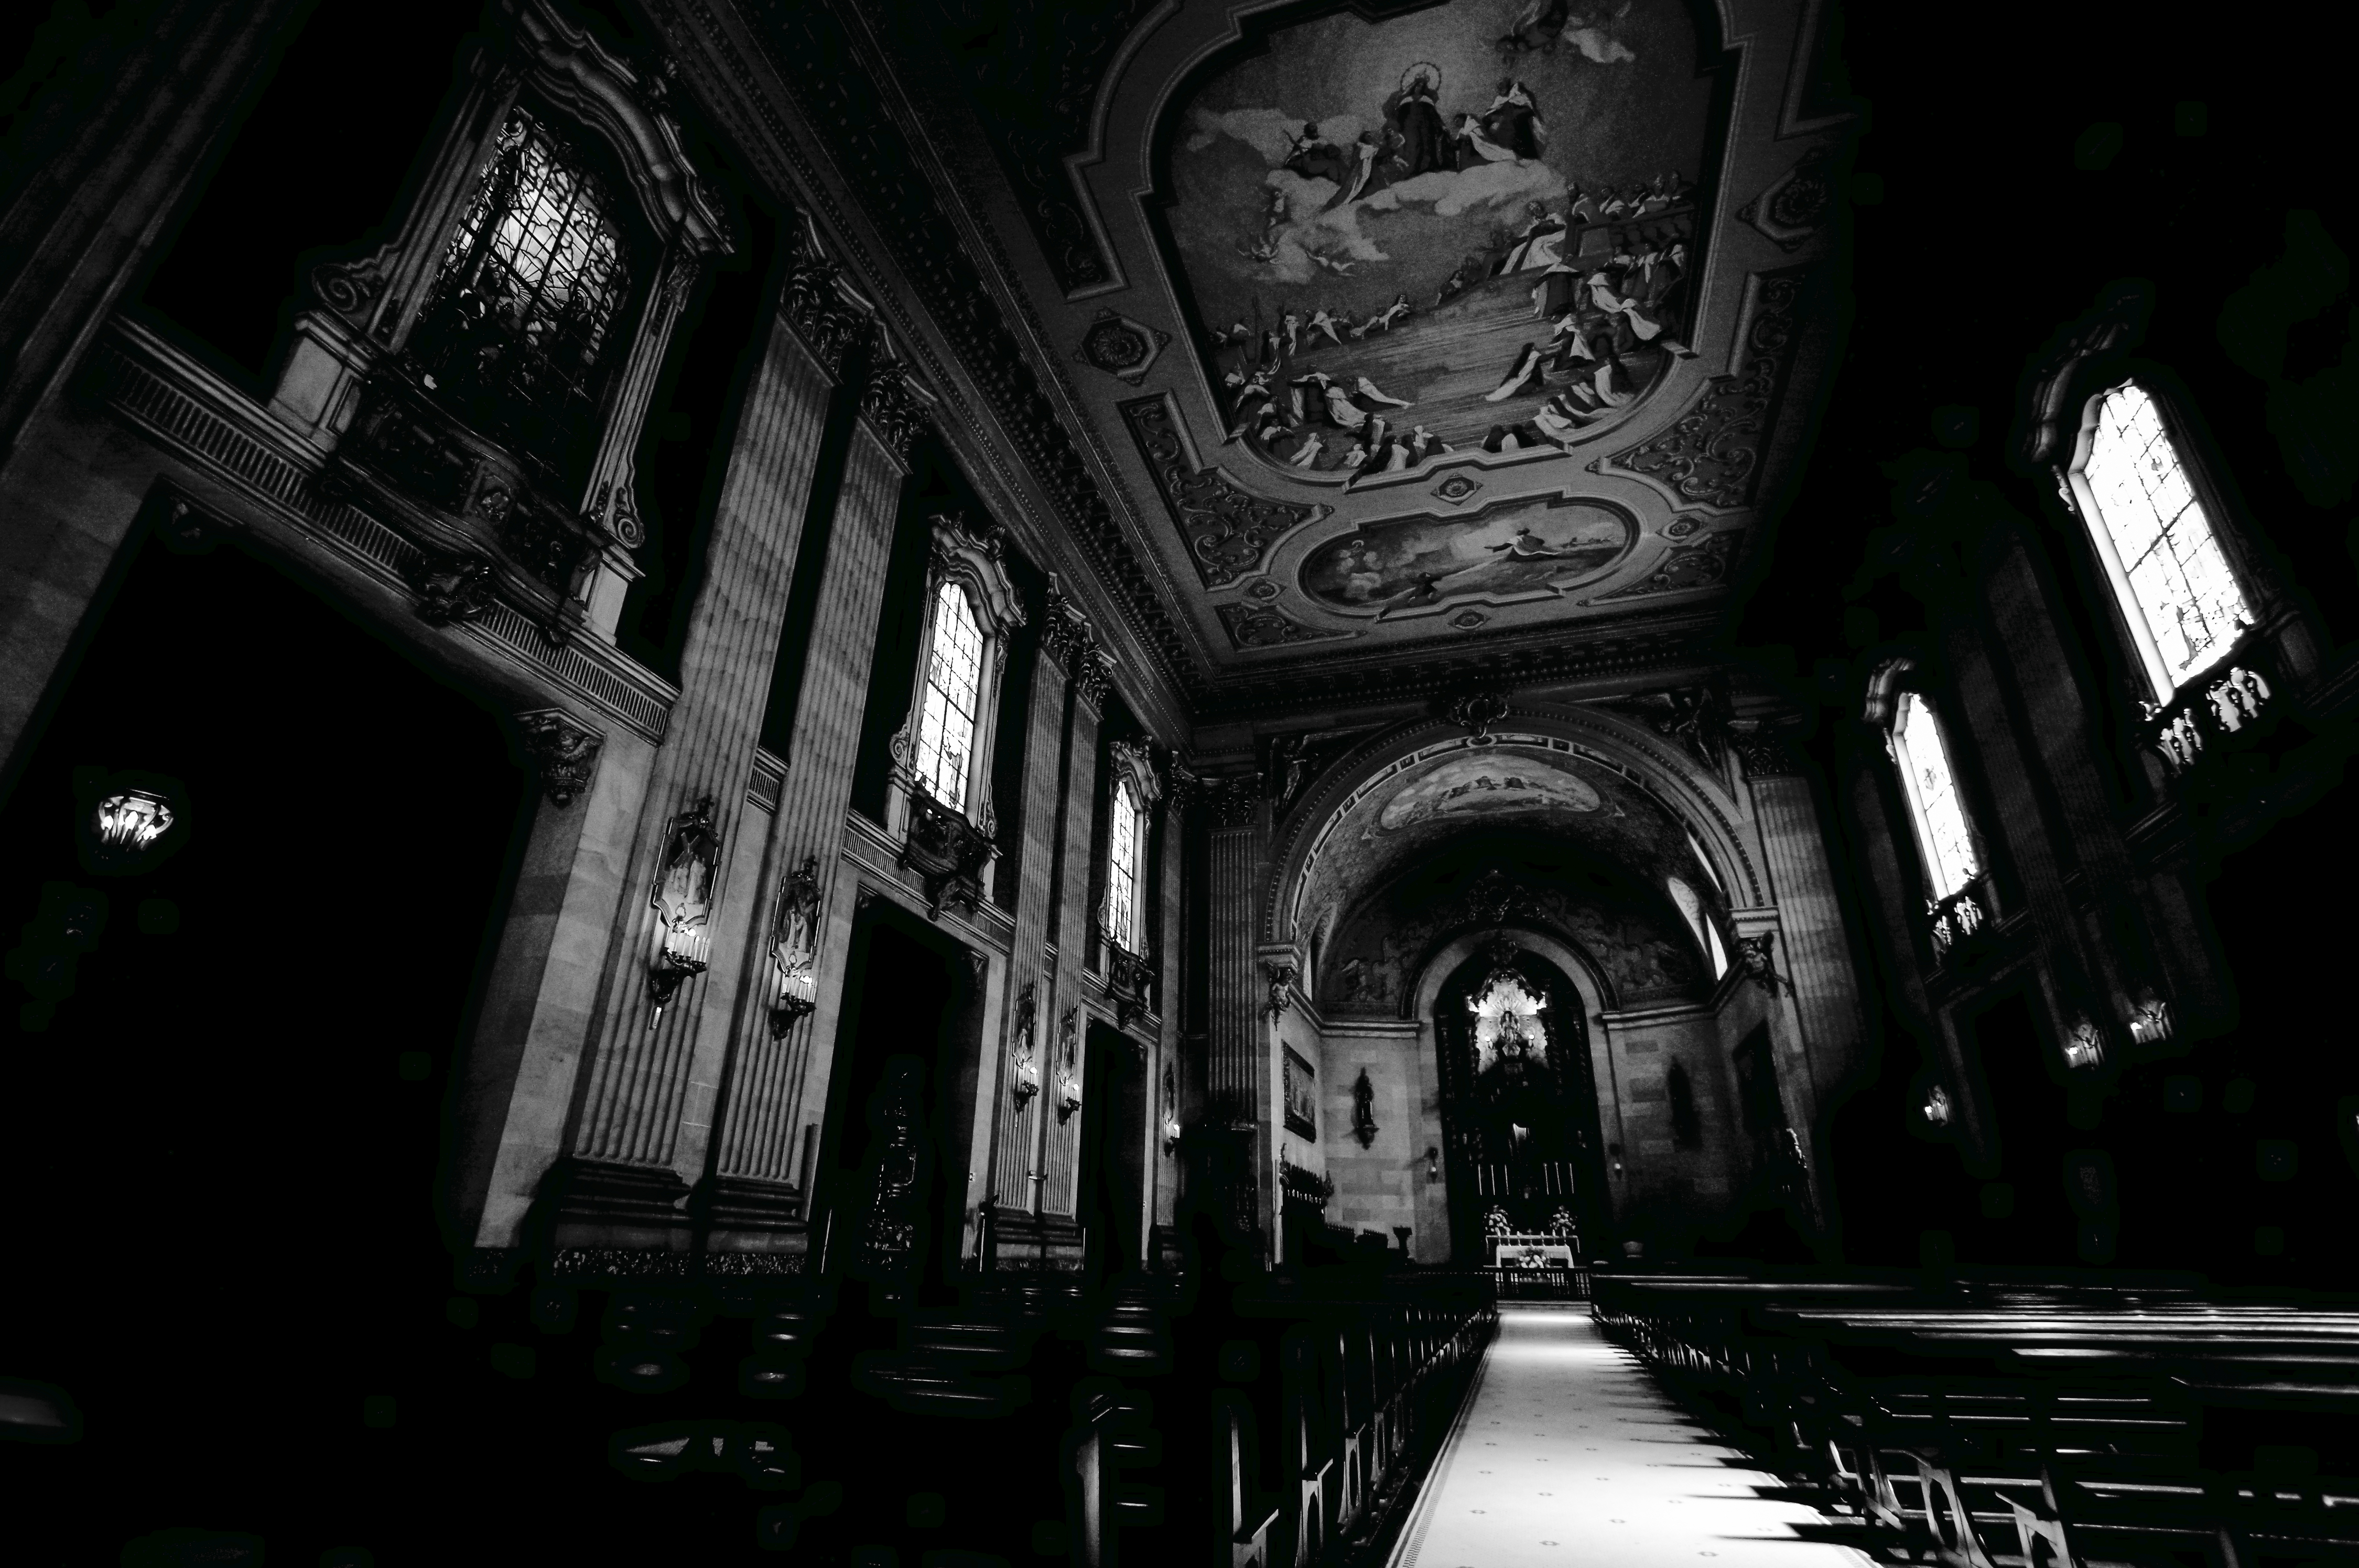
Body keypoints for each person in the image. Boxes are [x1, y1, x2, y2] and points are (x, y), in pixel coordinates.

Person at [1391, 67, 1449, 176]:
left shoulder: (1427, 100)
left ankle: (1427, 168)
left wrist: (1441, 125)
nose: (1419, 88)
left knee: (1427, 145)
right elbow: (1399, 116)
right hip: (1409, 127)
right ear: (1413, 86)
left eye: (1422, 86)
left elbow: (1434, 116)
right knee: (1411, 146)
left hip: (1426, 127)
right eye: (1418, 85)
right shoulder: (1406, 101)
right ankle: (1413, 169)